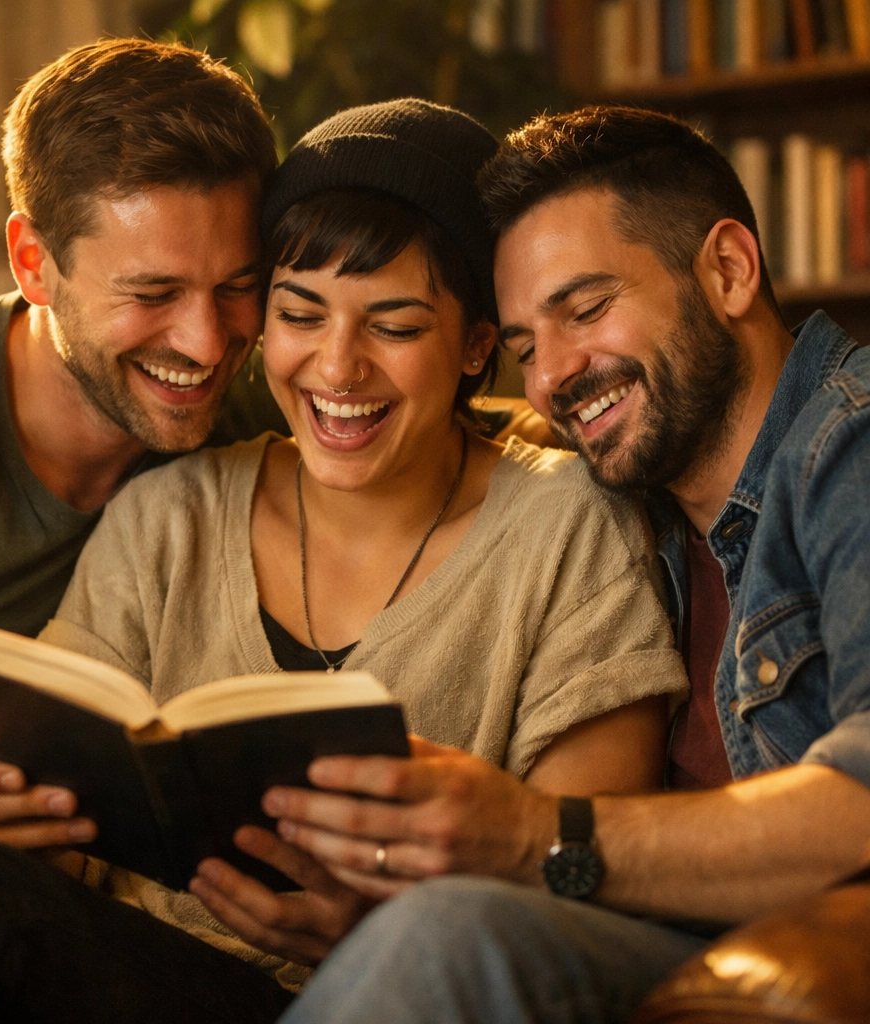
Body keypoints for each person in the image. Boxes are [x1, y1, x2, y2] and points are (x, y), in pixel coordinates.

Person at [0, 100, 687, 1023]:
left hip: (395, 984)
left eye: (396, 328)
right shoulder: (170, 505)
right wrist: (29, 820)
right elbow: (63, 796)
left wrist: (384, 921)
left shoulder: (572, 522)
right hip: (141, 972)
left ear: (478, 344)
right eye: (297, 314)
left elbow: (578, 874)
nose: (337, 368)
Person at [269, 105, 870, 1024]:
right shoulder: (631, 510)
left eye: (586, 309)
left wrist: (529, 834)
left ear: (729, 270)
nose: (552, 377)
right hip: (670, 951)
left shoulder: (851, 446)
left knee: (447, 938)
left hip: (794, 953)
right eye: (521, 348)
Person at [0, 37, 283, 810]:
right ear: (32, 261)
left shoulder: (250, 402)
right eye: (153, 294)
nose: (208, 344)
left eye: (237, 287)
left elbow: (445, 423)